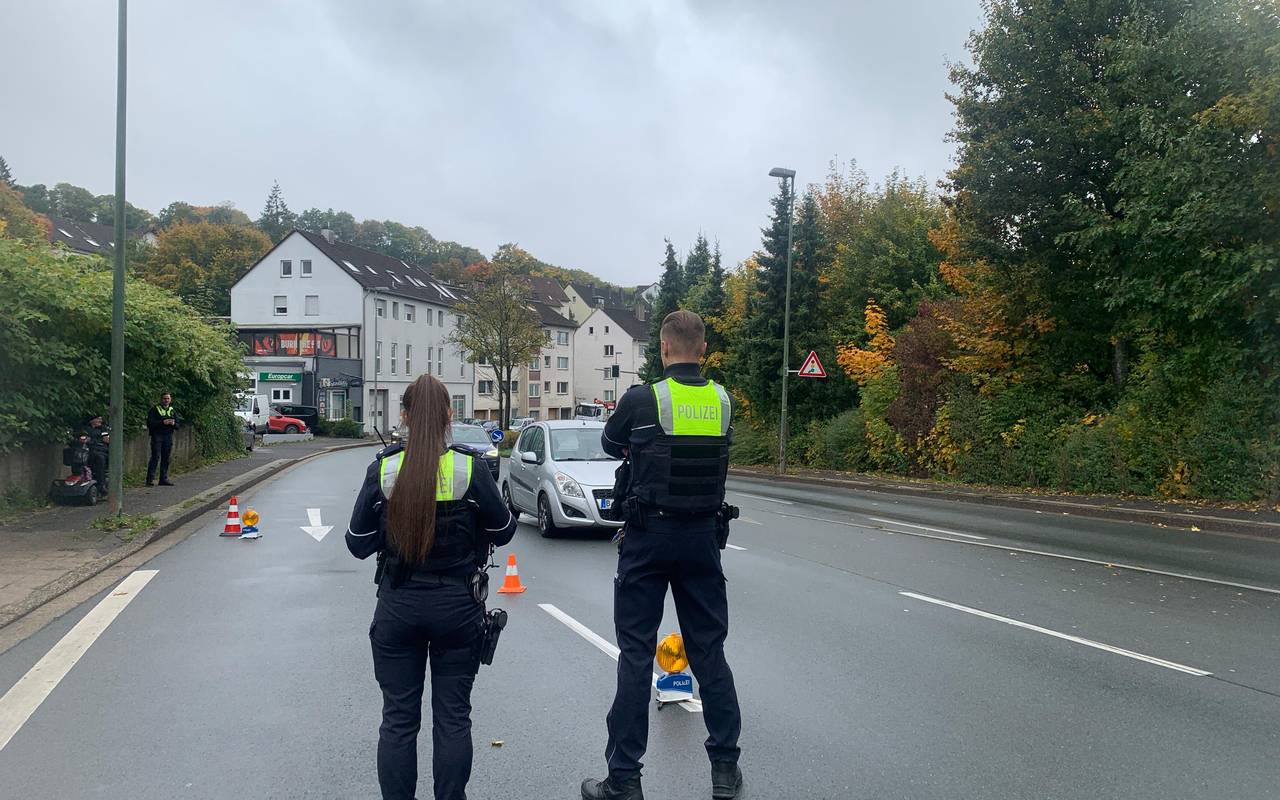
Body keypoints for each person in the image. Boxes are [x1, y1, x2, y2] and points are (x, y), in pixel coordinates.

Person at [582, 310, 743, 800]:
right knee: (709, 652)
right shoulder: (723, 401)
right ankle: (724, 770)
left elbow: (610, 443)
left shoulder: (642, 399)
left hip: (648, 537)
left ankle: (624, 778)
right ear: (704, 348)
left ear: (665, 348)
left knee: (636, 654)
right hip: (702, 539)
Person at [347, 374, 518, 800]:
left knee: (398, 720)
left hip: (399, 604)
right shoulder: (469, 468)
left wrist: (389, 529)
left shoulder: (384, 469)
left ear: (404, 416)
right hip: (457, 607)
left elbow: (356, 543)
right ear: (448, 416)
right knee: (453, 719)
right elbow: (504, 530)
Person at [145, 392, 178, 486]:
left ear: (170, 400)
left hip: (168, 436)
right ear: (161, 399)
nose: (166, 400)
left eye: (168, 398)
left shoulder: (172, 410)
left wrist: (173, 424)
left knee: (166, 457)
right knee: (155, 456)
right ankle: (149, 480)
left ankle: (163, 479)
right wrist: (162, 422)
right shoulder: (154, 410)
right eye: (164, 398)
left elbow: (178, 425)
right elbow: (150, 423)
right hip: (157, 435)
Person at [83, 413, 110, 492]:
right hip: (89, 450)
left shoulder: (102, 429)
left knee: (100, 458)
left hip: (101, 450)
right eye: (98, 419)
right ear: (92, 420)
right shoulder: (85, 429)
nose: (100, 421)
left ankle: (101, 485)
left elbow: (107, 440)